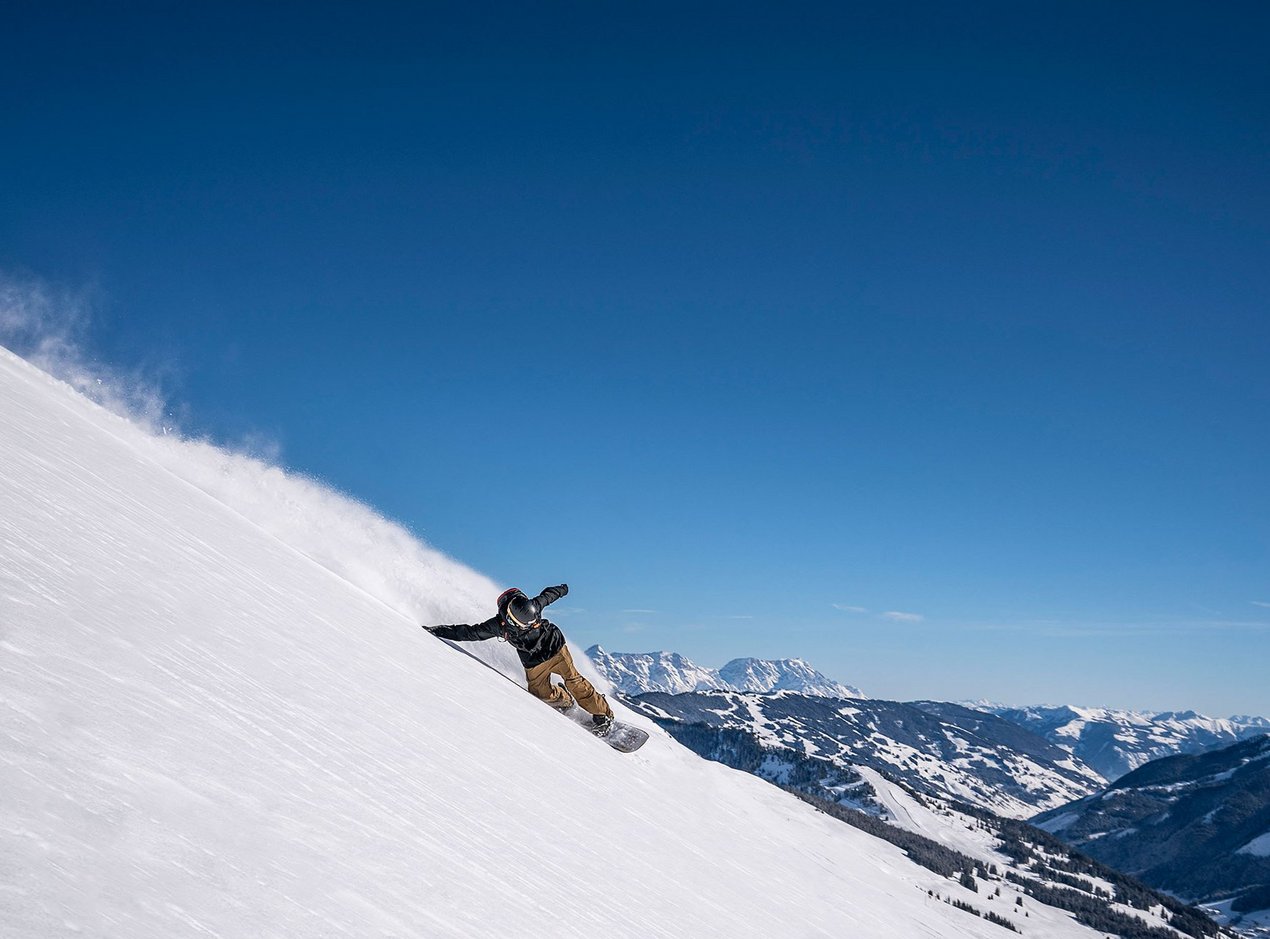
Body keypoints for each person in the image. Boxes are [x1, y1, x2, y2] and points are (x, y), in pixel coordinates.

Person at [423, 584, 615, 733]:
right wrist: (439, 631)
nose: (530, 626)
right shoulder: (499, 626)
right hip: (533, 661)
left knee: (574, 681)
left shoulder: (533, 607)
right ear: (511, 619)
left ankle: (603, 715)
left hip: (555, 648)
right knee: (540, 693)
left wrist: (563, 589)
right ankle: (564, 700)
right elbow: (471, 632)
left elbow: (549, 594)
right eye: (524, 625)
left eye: (532, 623)